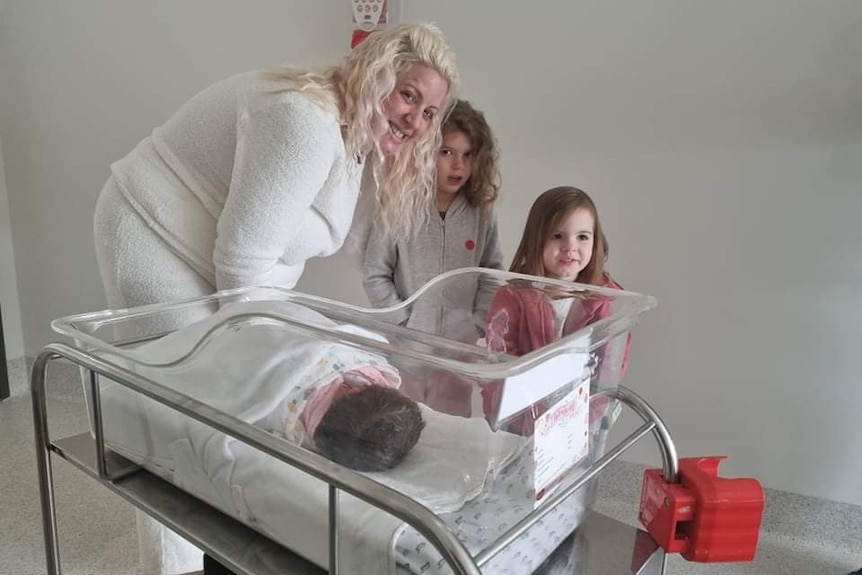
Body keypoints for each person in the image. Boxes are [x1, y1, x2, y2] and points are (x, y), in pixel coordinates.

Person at [91, 22, 459, 575]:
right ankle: (175, 567)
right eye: (410, 94)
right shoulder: (304, 121)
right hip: (154, 233)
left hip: (215, 258)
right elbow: (242, 266)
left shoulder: (350, 139)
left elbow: (293, 246)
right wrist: (293, 360)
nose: (416, 119)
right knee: (177, 413)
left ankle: (218, 546)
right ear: (376, 73)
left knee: (223, 401)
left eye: (430, 111)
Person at [482, 186, 632, 433]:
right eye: (557, 236)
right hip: (521, 416)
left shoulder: (603, 300)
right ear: (536, 240)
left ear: (595, 242)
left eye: (582, 237)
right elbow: (500, 357)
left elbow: (610, 366)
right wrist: (526, 411)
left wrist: (586, 415)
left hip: (579, 416)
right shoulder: (513, 296)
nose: (570, 247)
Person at [362, 99, 504, 343]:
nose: (458, 165)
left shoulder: (481, 213)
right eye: (446, 152)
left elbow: (491, 272)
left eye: (468, 155)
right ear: (425, 152)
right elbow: (375, 273)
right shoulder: (399, 207)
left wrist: (479, 322)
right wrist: (402, 323)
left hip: (462, 349)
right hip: (407, 349)